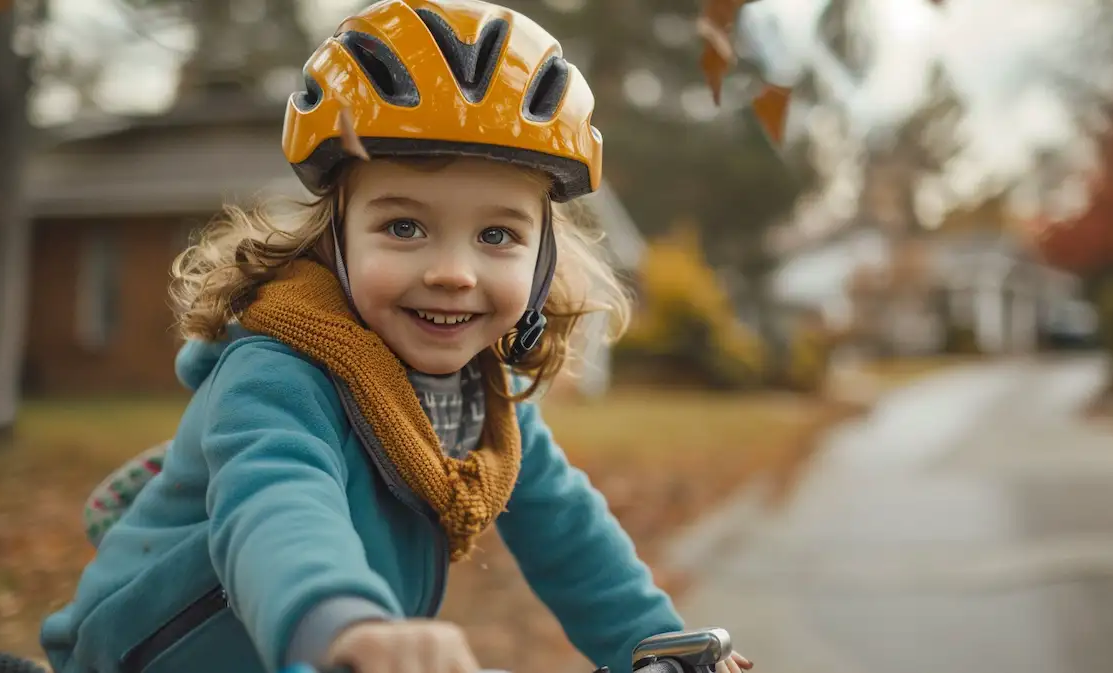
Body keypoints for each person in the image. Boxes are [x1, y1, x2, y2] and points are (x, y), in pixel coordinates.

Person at [40, 2, 754, 673]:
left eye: (498, 234)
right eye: (404, 226)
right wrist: (345, 620)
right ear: (335, 238)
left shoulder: (486, 399)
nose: (451, 272)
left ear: (542, 266)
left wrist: (654, 641)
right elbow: (277, 502)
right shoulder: (278, 373)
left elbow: (569, 531)